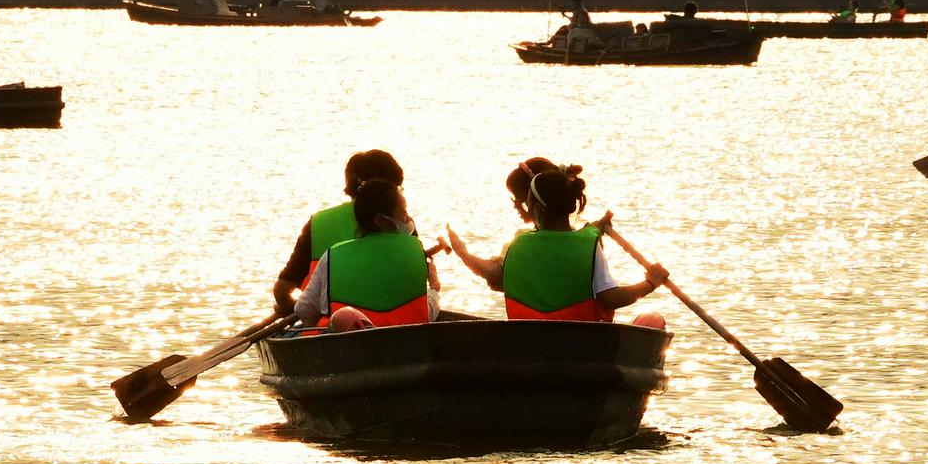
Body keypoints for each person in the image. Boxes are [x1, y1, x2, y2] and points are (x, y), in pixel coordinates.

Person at [445, 165, 667, 324]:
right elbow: (610, 298)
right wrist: (650, 283)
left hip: (530, 353)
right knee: (654, 322)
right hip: (584, 351)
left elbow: (496, 275)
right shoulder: (589, 245)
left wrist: (463, 254)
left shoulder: (518, 245)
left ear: (538, 209)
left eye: (527, 203)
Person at [294, 177, 440, 330]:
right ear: (381, 220)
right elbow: (426, 315)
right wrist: (434, 289)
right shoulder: (415, 251)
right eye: (403, 213)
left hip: (345, 346)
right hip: (407, 344)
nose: (408, 219)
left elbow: (303, 311)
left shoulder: (332, 255)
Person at [272, 149, 403, 314]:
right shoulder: (400, 223)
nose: (400, 196)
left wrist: (295, 311)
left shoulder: (318, 224)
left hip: (324, 330)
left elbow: (282, 292)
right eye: (397, 189)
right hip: (395, 327)